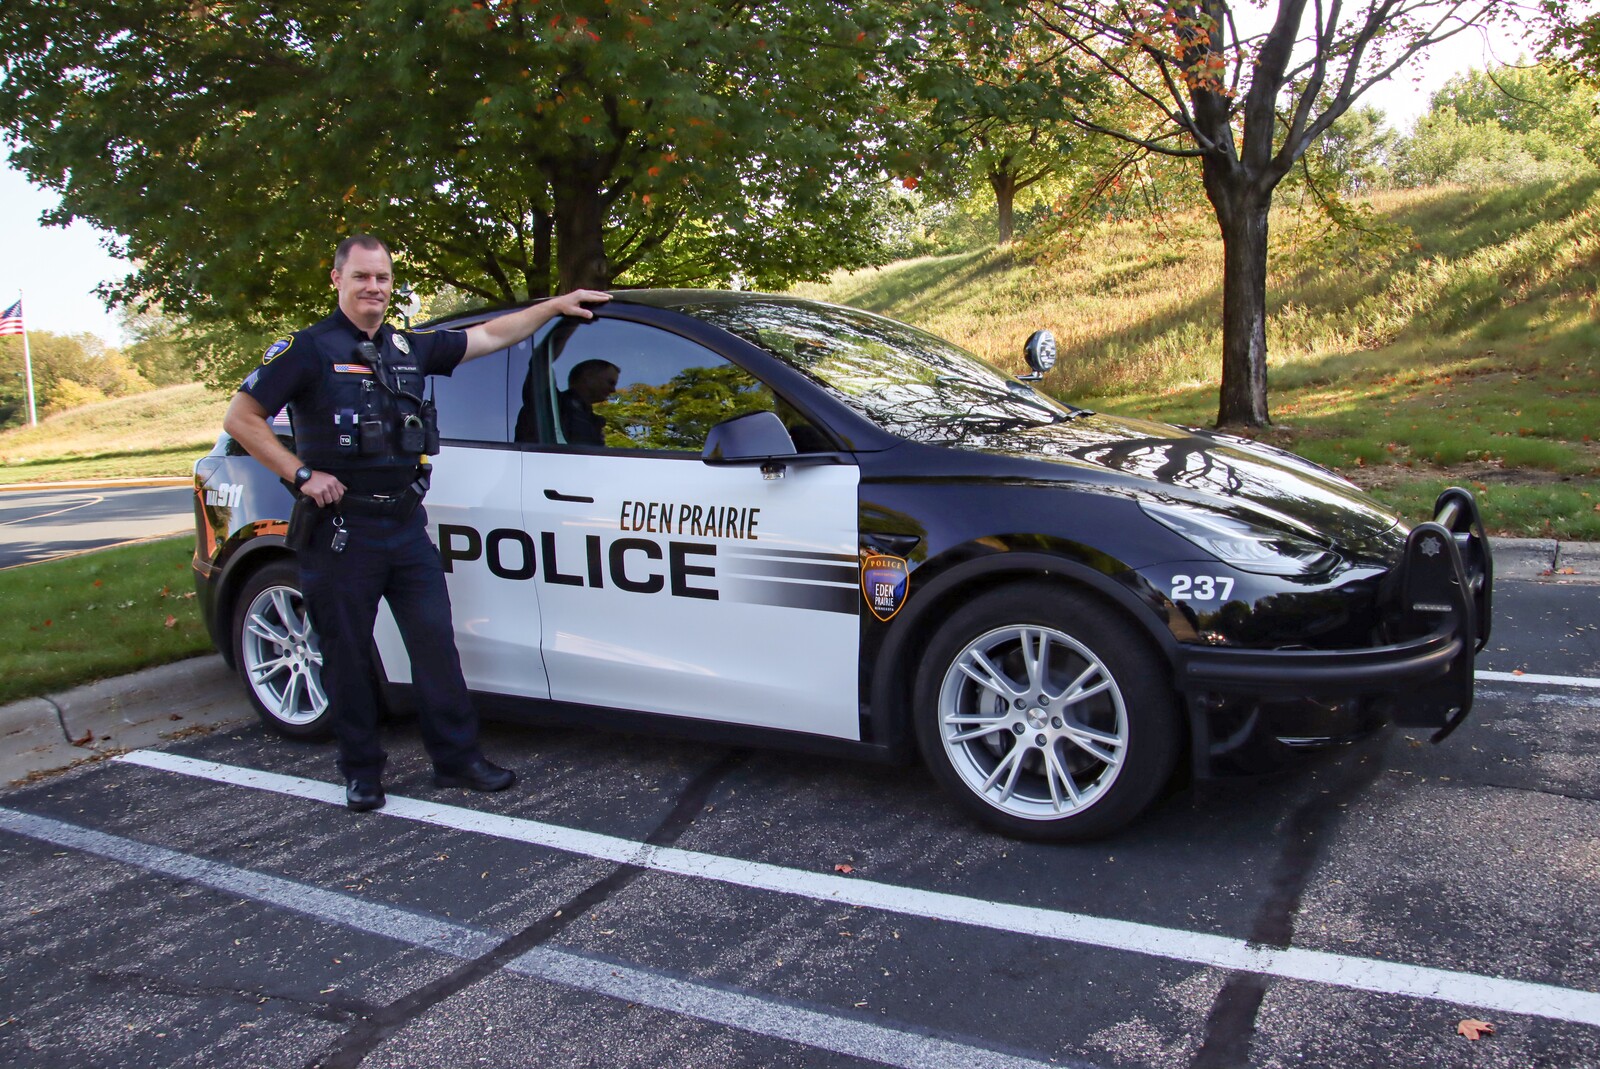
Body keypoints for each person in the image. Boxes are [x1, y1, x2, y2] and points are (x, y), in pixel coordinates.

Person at [223, 234, 610, 811]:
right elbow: (241, 417)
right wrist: (301, 475)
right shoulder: (306, 350)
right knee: (349, 655)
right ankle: (361, 771)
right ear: (337, 281)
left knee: (435, 646)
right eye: (361, 277)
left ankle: (456, 759)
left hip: (405, 525)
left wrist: (554, 306)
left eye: (381, 277)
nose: (373, 287)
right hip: (340, 530)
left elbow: (491, 335)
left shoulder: (409, 346)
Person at [558, 358, 621, 445]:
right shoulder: (555, 405)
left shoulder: (589, 418)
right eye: (610, 383)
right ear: (589, 377)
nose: (613, 390)